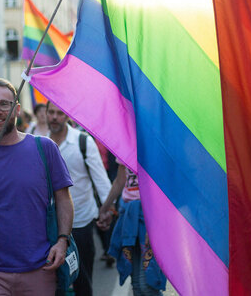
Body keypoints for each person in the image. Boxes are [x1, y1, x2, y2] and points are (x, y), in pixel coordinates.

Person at [0, 78, 74, 296]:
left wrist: (62, 241)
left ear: (17, 109)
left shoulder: (45, 148)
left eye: (4, 104)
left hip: (40, 268)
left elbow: (63, 199)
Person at [46, 102, 111, 296]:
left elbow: (101, 179)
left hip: (80, 223)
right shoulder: (37, 141)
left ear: (67, 116)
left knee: (81, 279)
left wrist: (107, 210)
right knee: (51, 281)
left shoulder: (83, 141)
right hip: (48, 225)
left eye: (59, 113)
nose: (54, 117)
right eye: (51, 112)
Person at [97, 162, 167, 296]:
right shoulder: (125, 143)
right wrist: (105, 208)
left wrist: (155, 224)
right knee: (136, 284)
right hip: (130, 217)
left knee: (147, 284)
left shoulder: (155, 143)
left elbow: (165, 184)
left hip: (151, 215)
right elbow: (120, 180)